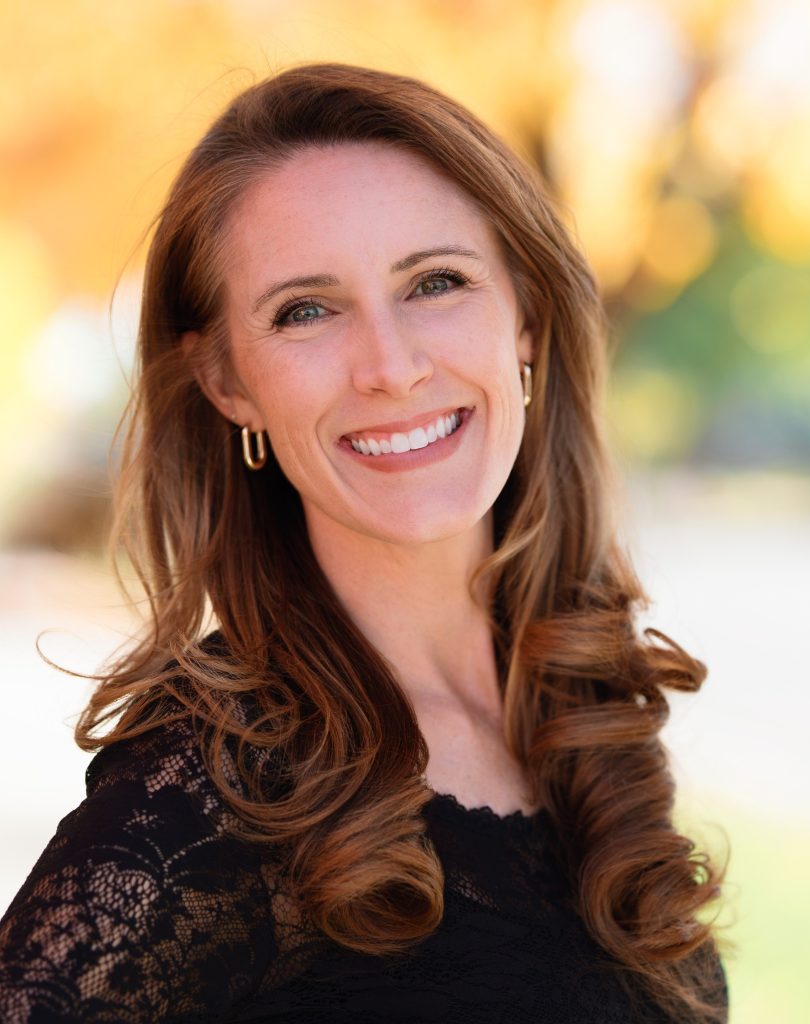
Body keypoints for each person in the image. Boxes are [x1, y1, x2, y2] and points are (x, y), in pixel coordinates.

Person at [0, 63, 727, 1023]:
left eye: (435, 282)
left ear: (527, 317)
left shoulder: (575, 717)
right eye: (306, 310)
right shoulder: (217, 783)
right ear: (227, 381)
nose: (390, 367)